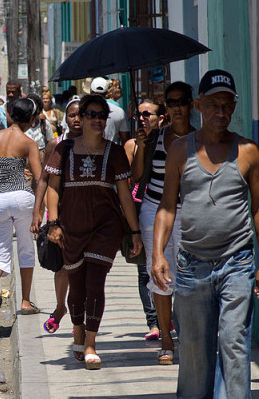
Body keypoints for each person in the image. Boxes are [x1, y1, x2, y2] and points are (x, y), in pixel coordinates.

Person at [151, 70, 259, 399]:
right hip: (191, 264)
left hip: (236, 262)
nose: (221, 111)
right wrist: (158, 253)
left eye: (228, 105)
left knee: (233, 340)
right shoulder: (179, 151)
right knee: (193, 343)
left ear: (234, 107)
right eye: (214, 104)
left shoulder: (247, 151)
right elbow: (167, 207)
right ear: (198, 106)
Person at [33, 94, 143, 370]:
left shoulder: (115, 153)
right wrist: (54, 224)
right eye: (91, 114)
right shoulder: (64, 150)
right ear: (80, 118)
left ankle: (91, 342)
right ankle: (78, 330)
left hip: (106, 226)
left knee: (95, 282)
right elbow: (54, 188)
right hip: (72, 225)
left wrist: (135, 231)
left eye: (102, 115)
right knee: (77, 284)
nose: (97, 120)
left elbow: (125, 196)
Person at [133, 83, 197, 364]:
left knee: (188, 273)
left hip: (189, 211)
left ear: (192, 104)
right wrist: (140, 146)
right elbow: (136, 176)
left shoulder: (201, 138)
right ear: (166, 108)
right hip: (153, 210)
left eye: (182, 101)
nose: (177, 107)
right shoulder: (156, 137)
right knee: (158, 271)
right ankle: (166, 339)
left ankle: (189, 333)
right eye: (171, 103)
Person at [0, 98, 43, 328]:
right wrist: (38, 210)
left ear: (11, 115)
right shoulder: (28, 143)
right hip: (22, 197)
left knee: (0, 253)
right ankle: (25, 302)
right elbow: (38, 178)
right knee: (25, 248)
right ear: (32, 120)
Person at [33, 97, 83, 333]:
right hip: (59, 214)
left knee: (82, 266)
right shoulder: (56, 145)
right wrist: (38, 212)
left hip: (85, 214)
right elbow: (43, 179)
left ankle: (77, 315)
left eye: (81, 115)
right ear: (66, 117)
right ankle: (60, 307)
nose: (77, 119)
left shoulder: (97, 145)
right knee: (62, 266)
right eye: (72, 115)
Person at [124, 96, 167, 347]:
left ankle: (168, 317)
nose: (142, 119)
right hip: (143, 209)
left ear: (160, 118)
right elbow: (135, 176)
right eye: (139, 115)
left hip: (170, 208)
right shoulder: (132, 145)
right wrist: (140, 147)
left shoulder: (170, 141)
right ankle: (153, 322)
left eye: (147, 114)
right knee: (145, 269)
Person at [90, 77, 130, 143]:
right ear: (107, 92)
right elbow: (125, 141)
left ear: (91, 90)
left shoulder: (82, 110)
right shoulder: (118, 111)